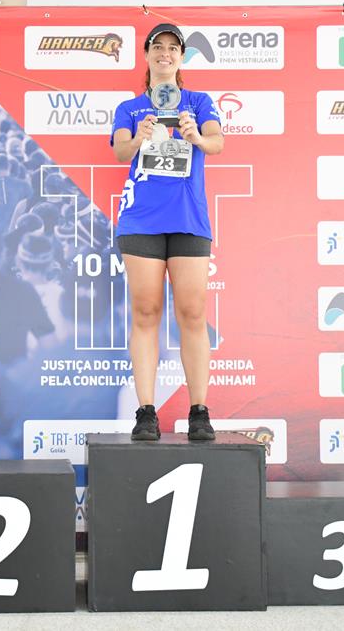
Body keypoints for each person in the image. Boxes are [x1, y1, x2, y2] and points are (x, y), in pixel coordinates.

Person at [110, 23, 224, 441]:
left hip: (188, 218)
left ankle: (199, 411)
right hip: (141, 219)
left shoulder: (199, 101)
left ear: (181, 57)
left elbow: (217, 143)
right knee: (145, 312)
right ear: (146, 55)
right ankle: (146, 411)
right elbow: (120, 150)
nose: (165, 53)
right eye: (157, 46)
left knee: (192, 313)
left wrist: (196, 136)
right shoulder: (130, 108)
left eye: (173, 47)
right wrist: (138, 138)